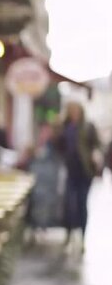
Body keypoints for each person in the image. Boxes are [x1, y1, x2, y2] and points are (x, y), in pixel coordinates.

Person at [55, 101, 101, 251]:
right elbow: (59, 146)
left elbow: (97, 144)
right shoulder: (65, 127)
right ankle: (68, 234)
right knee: (69, 204)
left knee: (82, 204)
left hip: (84, 171)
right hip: (70, 171)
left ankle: (82, 237)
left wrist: (94, 154)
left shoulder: (88, 126)